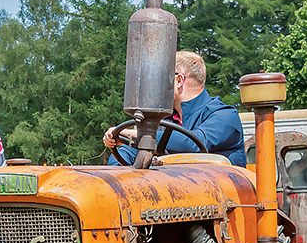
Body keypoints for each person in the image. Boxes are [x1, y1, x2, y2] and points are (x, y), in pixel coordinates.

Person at [103, 51, 246, 167]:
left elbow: (194, 144)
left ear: (179, 81)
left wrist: (135, 133)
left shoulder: (225, 116)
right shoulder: (165, 121)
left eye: (161, 81)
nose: (157, 89)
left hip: (222, 197)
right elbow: (130, 153)